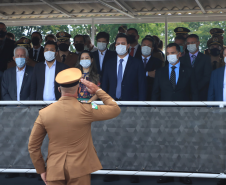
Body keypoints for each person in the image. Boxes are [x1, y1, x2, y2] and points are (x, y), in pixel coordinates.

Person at [28, 68, 121, 185]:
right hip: (79, 170)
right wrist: (98, 90)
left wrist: (41, 170)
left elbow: (33, 146)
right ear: (78, 89)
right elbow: (115, 109)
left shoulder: (44, 113)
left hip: (54, 170)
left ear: (59, 89)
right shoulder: (87, 108)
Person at [102, 33, 146, 101]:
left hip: (130, 104)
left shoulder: (137, 63)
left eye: (123, 43)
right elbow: (104, 85)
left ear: (128, 45)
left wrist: (140, 108)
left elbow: (142, 87)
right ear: (115, 45)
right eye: (118, 43)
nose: (120, 45)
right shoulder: (108, 63)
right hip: (111, 103)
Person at [180, 34, 212, 101]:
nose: (190, 44)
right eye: (188, 43)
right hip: (185, 95)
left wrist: (195, 88)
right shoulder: (181, 59)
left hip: (201, 94)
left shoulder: (206, 58)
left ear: (198, 43)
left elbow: (207, 76)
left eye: (193, 42)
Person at [138, 35, 162, 100]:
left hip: (151, 94)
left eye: (149, 45)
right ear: (141, 47)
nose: (146, 47)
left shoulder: (158, 62)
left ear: (152, 48)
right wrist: (147, 73)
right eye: (144, 45)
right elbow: (132, 75)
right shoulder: (134, 60)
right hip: (136, 94)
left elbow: (157, 76)